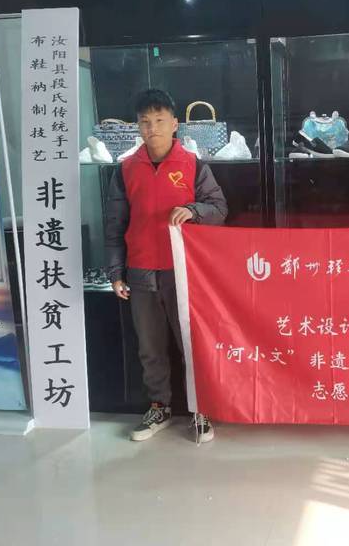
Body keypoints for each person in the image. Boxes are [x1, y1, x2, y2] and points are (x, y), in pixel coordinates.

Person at [105, 89, 228, 443]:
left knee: (192, 343)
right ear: (137, 126)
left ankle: (201, 409)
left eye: (160, 120)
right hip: (141, 271)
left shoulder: (193, 165)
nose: (152, 128)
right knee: (150, 347)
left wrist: (193, 210)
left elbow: (219, 208)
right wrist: (116, 272)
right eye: (145, 122)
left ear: (175, 124)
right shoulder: (126, 170)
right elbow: (115, 225)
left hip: (185, 273)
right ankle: (159, 406)